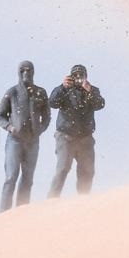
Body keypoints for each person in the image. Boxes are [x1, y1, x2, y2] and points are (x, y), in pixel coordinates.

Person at [0, 60, 50, 211]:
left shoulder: (40, 92)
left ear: (33, 72)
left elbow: (47, 116)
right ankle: (4, 213)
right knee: (11, 177)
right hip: (15, 140)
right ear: (19, 72)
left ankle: (21, 212)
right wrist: (10, 127)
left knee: (28, 178)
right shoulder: (12, 92)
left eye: (28, 70)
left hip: (32, 141)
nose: (26, 73)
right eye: (22, 70)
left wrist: (40, 129)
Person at [48, 64, 106, 198]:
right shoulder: (64, 90)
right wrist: (62, 87)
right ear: (70, 77)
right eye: (75, 75)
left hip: (85, 138)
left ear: (86, 76)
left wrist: (89, 91)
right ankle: (52, 199)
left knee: (87, 170)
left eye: (81, 75)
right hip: (65, 136)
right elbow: (52, 103)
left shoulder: (92, 90)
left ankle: (83, 200)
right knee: (63, 167)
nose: (78, 78)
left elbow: (100, 104)